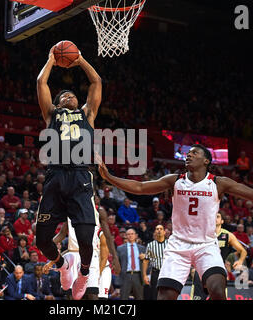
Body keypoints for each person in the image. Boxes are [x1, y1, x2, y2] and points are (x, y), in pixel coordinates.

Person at [97, 144, 253, 300]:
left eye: (194, 153)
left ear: (206, 161)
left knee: (218, 289)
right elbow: (139, 187)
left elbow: (248, 193)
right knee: (165, 297)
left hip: (206, 245)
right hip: (178, 245)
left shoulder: (218, 183)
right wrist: (109, 177)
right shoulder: (175, 180)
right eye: (188, 153)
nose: (189, 155)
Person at [35, 46, 102, 300]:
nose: (68, 97)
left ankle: (84, 274)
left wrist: (81, 60)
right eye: (63, 96)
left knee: (86, 239)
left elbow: (96, 81)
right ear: (57, 103)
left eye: (72, 95)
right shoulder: (51, 114)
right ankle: (64, 266)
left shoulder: (87, 113)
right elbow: (41, 81)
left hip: (80, 176)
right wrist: (52, 59)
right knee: (42, 241)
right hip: (55, 176)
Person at [191, 211, 247, 300]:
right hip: (201, 270)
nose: (215, 219)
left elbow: (243, 251)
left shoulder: (228, 235)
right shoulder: (203, 234)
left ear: (222, 221)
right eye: (213, 217)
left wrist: (240, 261)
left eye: (217, 217)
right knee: (197, 298)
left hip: (218, 270)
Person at [116, 228, 145, 300]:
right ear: (126, 236)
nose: (130, 236)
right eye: (128, 234)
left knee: (140, 298)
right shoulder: (120, 248)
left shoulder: (142, 248)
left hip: (138, 276)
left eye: (132, 234)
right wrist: (118, 279)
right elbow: (117, 264)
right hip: (125, 275)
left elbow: (147, 263)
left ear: (136, 236)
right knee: (123, 298)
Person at [142, 224, 168, 300]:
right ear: (155, 232)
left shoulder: (169, 244)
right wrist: (144, 275)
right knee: (155, 294)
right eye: (157, 229)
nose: (159, 230)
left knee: (167, 293)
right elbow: (146, 261)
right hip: (155, 272)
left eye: (161, 229)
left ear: (164, 232)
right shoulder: (151, 245)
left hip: (167, 273)